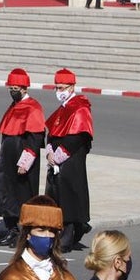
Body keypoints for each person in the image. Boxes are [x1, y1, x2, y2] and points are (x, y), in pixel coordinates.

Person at [0, 68, 45, 247]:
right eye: (10, 88)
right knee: (6, 195)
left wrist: (26, 161)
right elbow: (7, 135)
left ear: (24, 88)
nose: (12, 91)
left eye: (15, 88)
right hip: (8, 158)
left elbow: (35, 138)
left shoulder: (33, 107)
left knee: (22, 196)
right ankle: (11, 230)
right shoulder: (13, 106)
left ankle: (23, 233)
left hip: (22, 160)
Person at [45, 68, 94, 251]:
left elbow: (77, 137)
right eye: (56, 88)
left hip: (71, 161)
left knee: (69, 198)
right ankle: (69, 230)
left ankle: (67, 237)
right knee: (57, 197)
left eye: (62, 88)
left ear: (72, 87)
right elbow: (52, 133)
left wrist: (58, 156)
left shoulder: (80, 108)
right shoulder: (62, 109)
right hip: (56, 161)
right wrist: (50, 151)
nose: (59, 92)